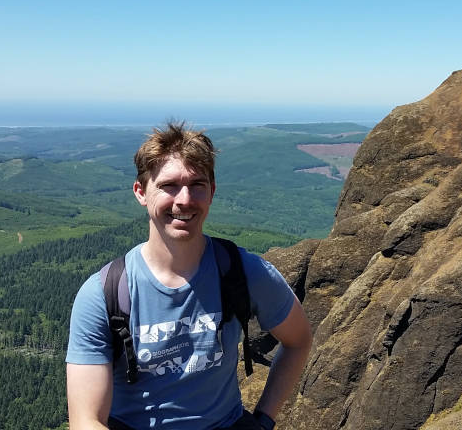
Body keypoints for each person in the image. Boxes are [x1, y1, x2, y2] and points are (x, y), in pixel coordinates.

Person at [66, 122, 312, 430]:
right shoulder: (104, 294)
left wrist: (263, 420)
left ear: (212, 192)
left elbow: (298, 340)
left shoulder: (244, 272)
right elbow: (85, 421)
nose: (184, 200)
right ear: (141, 192)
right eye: (169, 186)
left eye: (197, 184)